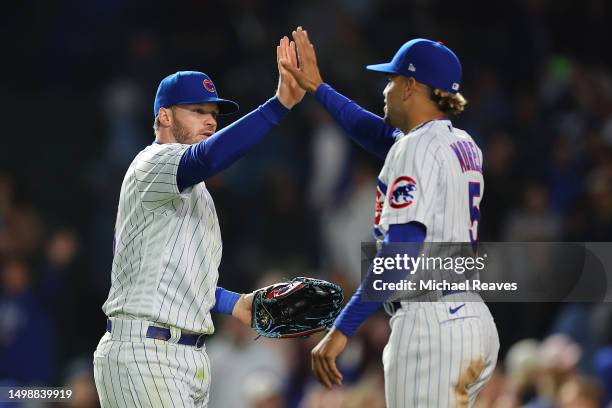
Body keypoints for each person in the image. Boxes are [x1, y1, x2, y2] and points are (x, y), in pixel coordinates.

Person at [281, 27, 499, 407]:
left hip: (429, 325)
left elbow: (401, 253)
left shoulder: (414, 148)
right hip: (472, 322)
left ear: (412, 86)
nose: (386, 89)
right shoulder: (464, 144)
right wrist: (320, 89)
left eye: (392, 79)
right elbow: (381, 137)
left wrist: (342, 328)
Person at [93, 37, 304, 407]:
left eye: (213, 113)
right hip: (147, 352)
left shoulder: (196, 193)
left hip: (182, 355)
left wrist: (237, 304)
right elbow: (207, 159)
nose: (210, 120)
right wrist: (279, 105)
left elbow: (178, 280)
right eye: (197, 110)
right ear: (164, 116)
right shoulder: (151, 163)